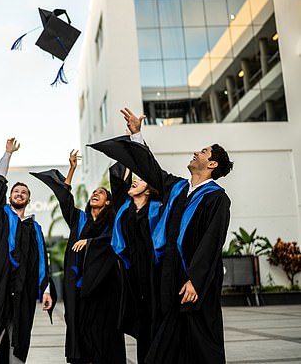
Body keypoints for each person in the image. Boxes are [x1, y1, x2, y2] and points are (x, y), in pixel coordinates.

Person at [90, 108, 233, 364]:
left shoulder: (216, 198)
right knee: (167, 340)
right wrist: (136, 136)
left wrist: (195, 280)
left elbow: (211, 242)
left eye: (202, 152)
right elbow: (151, 169)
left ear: (212, 164)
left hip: (192, 280)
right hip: (167, 276)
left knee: (198, 341)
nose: (196, 153)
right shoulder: (178, 188)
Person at [31, 150, 125, 364]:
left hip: (104, 285)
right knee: (78, 323)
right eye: (94, 192)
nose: (95, 193)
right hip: (79, 285)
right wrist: (72, 169)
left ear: (108, 202)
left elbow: (113, 242)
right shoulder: (79, 219)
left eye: (101, 193)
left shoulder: (113, 223)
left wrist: (90, 243)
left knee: (102, 326)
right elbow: (65, 199)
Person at [0, 138, 55, 364]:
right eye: (16, 191)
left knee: (19, 338)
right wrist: (7, 155)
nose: (19, 193)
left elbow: (42, 263)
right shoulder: (0, 215)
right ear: (9, 197)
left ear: (28, 199)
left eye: (24, 192)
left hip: (22, 289)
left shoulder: (34, 228)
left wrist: (45, 290)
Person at [109, 161, 161, 364]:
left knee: (156, 323)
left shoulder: (158, 209)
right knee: (141, 327)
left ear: (148, 191)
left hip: (154, 273)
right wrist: (129, 162)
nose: (135, 182)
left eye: (140, 181)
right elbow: (120, 184)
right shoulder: (125, 210)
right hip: (132, 276)